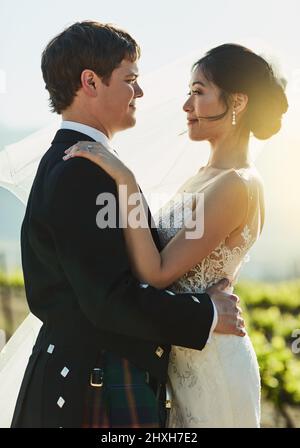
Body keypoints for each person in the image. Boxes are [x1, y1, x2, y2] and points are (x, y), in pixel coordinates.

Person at [7, 22, 244, 428]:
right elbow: (108, 299)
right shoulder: (81, 169)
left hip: (95, 379)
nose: (141, 92)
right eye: (131, 80)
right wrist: (204, 314)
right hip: (92, 387)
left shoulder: (89, 163)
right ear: (90, 82)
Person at [64, 43, 288, 427]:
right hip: (181, 358)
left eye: (198, 93)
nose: (186, 105)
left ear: (237, 102)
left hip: (213, 368)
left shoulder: (237, 185)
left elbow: (158, 272)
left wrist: (126, 180)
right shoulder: (202, 176)